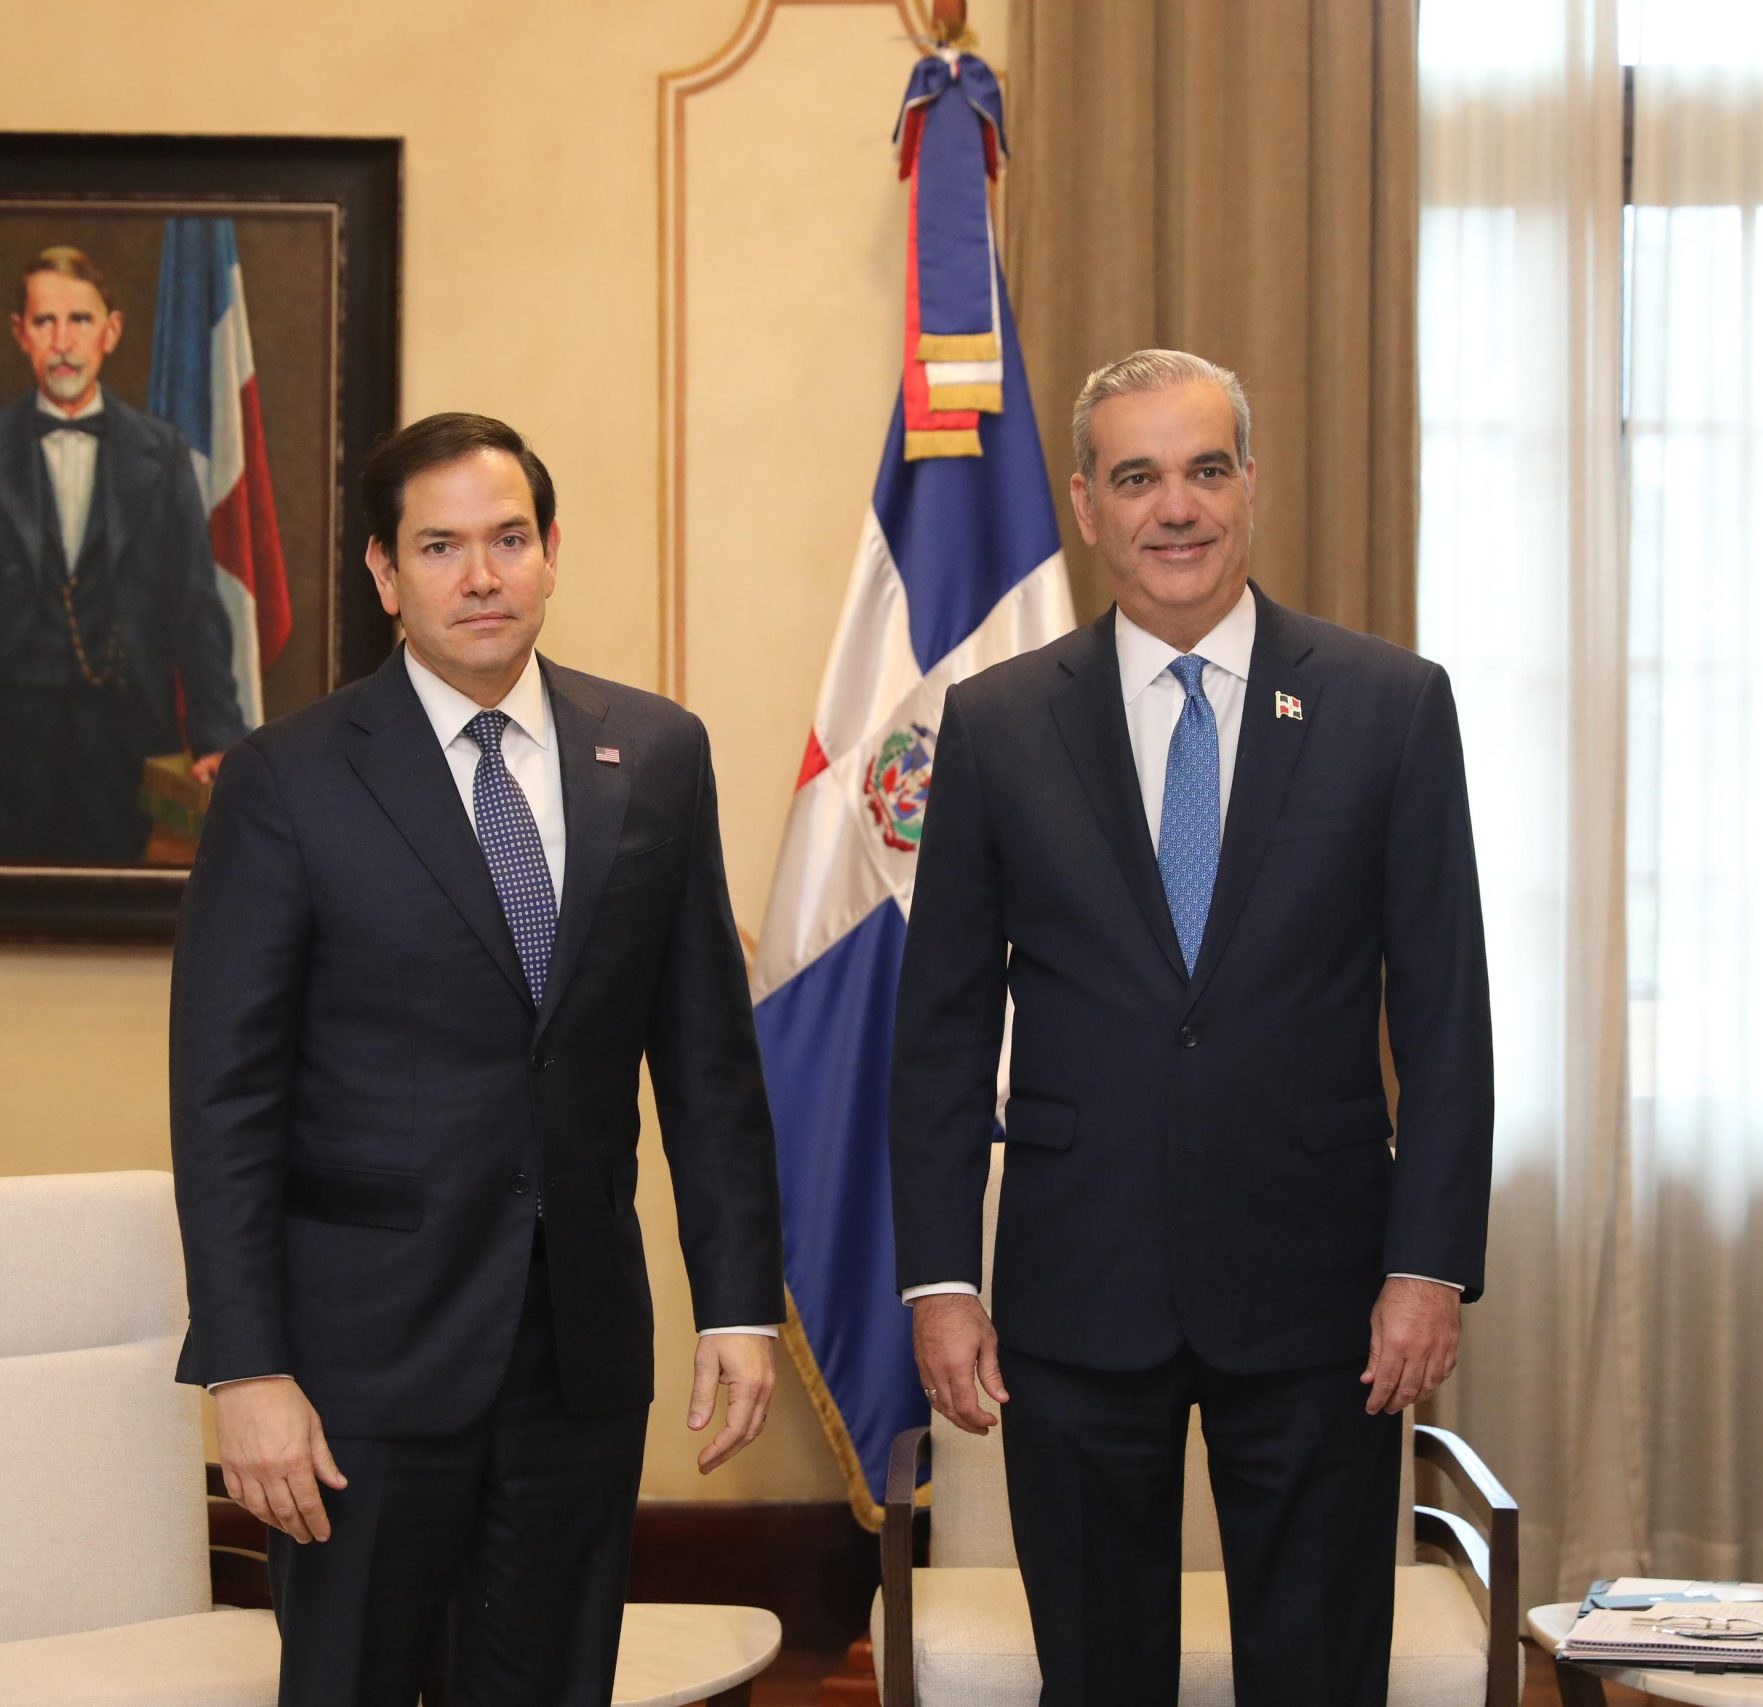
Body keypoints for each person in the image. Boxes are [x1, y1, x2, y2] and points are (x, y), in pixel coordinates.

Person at [890, 350, 1493, 1706]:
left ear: (1251, 487)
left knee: (1318, 1674)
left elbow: (1448, 1012)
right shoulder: (994, 724)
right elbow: (937, 1032)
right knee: (1099, 1678)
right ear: (1088, 505)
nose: (1180, 506)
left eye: (1208, 468)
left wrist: (1431, 1264)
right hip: (1075, 1283)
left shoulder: (1388, 704)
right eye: (1140, 475)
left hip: (1324, 1290)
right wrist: (940, 1275)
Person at [170, 412, 785, 1706]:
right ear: (386, 576)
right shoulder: (288, 780)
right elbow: (226, 1097)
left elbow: (709, 1063)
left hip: (578, 1353)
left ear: (553, 551)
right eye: (442, 546)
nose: (484, 574)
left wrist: (735, 1300)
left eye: (509, 538)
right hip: (357, 1371)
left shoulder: (656, 756)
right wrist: (247, 1363)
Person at [0, 245, 244, 864]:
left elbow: (194, 607)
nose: (63, 341)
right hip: (1, 747)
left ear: (111, 332)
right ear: (21, 334)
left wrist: (219, 739)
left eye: (80, 321)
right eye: (45, 322)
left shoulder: (162, 452)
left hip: (125, 741)